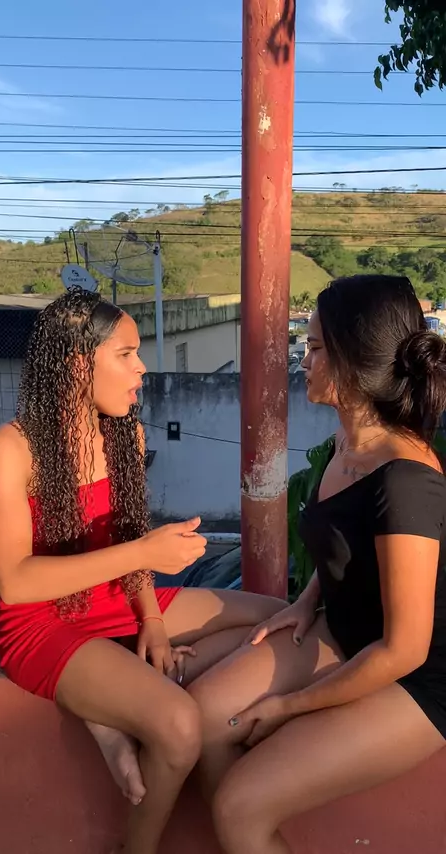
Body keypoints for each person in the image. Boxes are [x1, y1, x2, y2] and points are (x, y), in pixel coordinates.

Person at [0, 288, 282, 854]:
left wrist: (154, 623)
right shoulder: (10, 448)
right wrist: (144, 555)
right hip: (41, 624)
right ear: (78, 364)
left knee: (275, 617)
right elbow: (16, 583)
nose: (142, 368)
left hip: (115, 600)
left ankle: (120, 700)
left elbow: (128, 539)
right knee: (179, 727)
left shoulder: (124, 433)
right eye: (126, 354)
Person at [188, 274, 446, 854]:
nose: (304, 360)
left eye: (317, 347)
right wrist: (307, 601)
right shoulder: (345, 445)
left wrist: (290, 706)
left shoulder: (405, 481)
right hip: (350, 633)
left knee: (240, 805)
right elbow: (343, 544)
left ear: (356, 359)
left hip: (417, 676)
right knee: (205, 717)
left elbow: (405, 649)